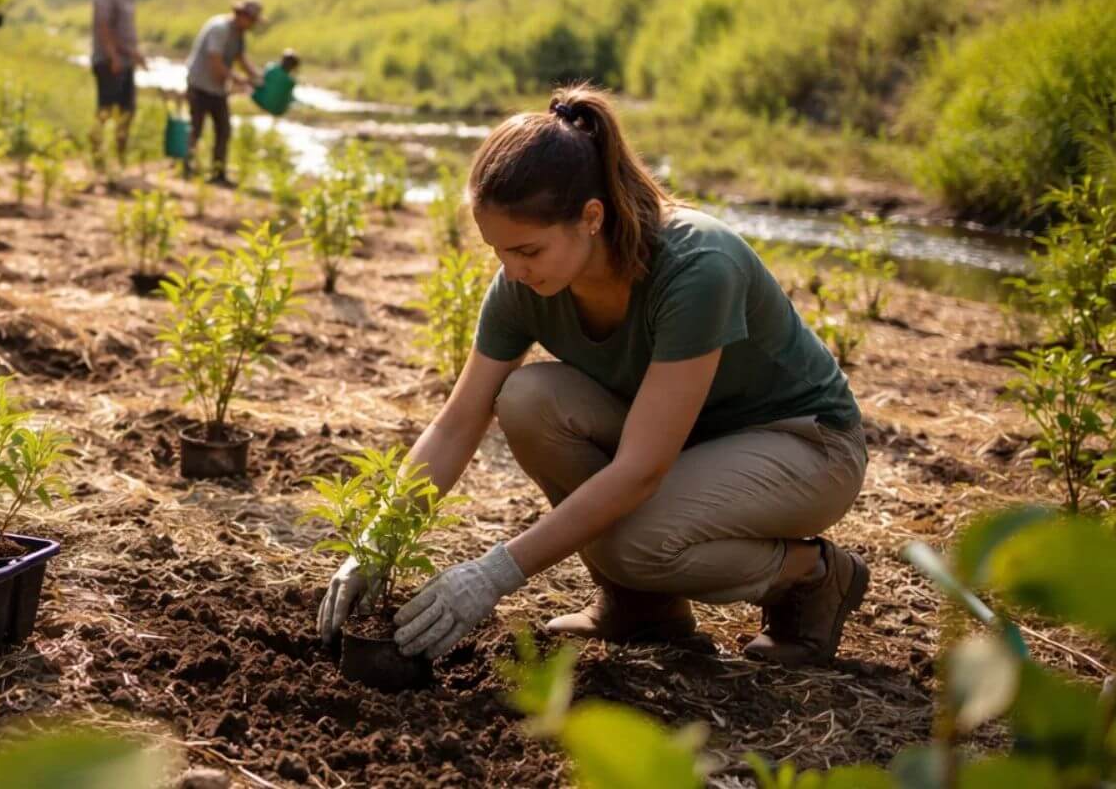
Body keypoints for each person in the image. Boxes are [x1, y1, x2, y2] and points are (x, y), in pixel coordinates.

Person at [317, 84, 869, 666]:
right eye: (498, 250)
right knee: (527, 398)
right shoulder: (524, 286)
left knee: (634, 544)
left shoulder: (698, 266)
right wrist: (377, 543)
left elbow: (639, 470)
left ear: (591, 217)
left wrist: (495, 573)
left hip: (803, 446)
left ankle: (813, 576)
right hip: (686, 440)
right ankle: (641, 608)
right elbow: (458, 422)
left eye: (528, 250)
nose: (513, 270)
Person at [183, 0, 263, 186]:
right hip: (200, 85)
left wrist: (257, 77)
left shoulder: (239, 33)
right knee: (196, 128)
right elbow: (215, 61)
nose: (252, 25)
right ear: (241, 15)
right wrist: (238, 80)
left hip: (217, 89)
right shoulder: (219, 28)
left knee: (223, 130)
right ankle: (185, 167)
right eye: (251, 20)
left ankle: (218, 174)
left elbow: (240, 58)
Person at [90, 0, 154, 168]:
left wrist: (136, 54)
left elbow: (125, 32)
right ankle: (97, 154)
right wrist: (113, 56)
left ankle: (120, 157)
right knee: (106, 109)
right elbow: (104, 27)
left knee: (127, 111)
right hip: (109, 61)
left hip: (125, 61)